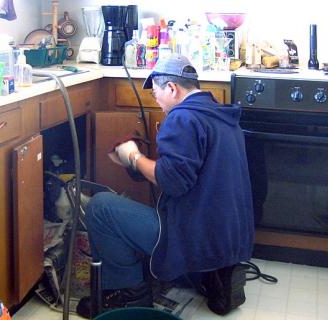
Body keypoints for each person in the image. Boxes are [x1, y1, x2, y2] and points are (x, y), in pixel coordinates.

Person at [76, 54, 254, 318]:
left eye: (156, 94)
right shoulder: (219, 113)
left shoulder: (182, 118)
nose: (156, 102)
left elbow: (172, 182)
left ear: (172, 88)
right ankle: (213, 275)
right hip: (231, 237)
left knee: (101, 208)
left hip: (197, 236)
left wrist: (133, 157)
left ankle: (128, 297)